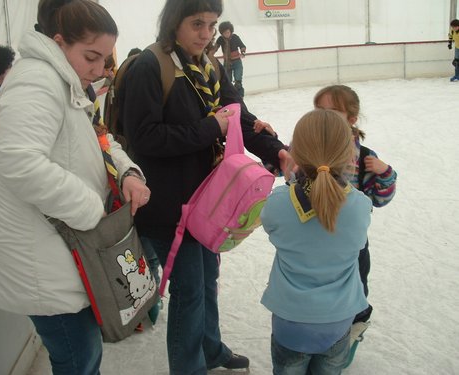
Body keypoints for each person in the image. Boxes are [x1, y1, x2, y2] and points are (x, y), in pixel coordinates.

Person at [120, 0, 291, 373]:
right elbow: (145, 138)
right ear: (173, 23)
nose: (206, 33)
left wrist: (279, 153)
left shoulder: (209, 66)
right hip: (167, 207)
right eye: (197, 23)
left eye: (211, 25)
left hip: (208, 203)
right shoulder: (150, 67)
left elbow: (238, 119)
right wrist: (211, 129)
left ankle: (211, 350)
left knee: (206, 282)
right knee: (189, 292)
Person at [0, 1, 150, 374]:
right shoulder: (37, 81)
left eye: (105, 59)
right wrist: (91, 209)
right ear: (58, 42)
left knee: (82, 356)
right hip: (45, 264)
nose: (99, 70)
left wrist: (127, 173)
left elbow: (99, 140)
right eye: (91, 57)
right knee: (78, 359)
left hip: (66, 255)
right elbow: (19, 161)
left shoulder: (67, 81)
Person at [261, 109, 372, 375]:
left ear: (294, 153)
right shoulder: (360, 206)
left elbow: (273, 227)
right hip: (338, 320)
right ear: (349, 154)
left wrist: (290, 181)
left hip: (290, 321)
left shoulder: (277, 203)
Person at [314, 84, 397, 324]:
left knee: (356, 283)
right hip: (313, 233)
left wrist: (386, 173)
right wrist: (268, 139)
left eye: (332, 111)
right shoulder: (309, 145)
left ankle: (353, 322)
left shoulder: (364, 156)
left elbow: (379, 199)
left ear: (351, 119)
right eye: (319, 109)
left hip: (352, 239)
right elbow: (284, 168)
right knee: (318, 284)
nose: (323, 116)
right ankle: (320, 321)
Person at [211, 21, 246, 97]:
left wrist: (243, 52)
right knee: (227, 82)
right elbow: (215, 48)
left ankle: (240, 97)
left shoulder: (235, 37)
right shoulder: (220, 39)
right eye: (224, 33)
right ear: (221, 33)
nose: (226, 34)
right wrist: (209, 55)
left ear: (231, 31)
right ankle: (230, 97)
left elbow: (242, 46)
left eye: (228, 32)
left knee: (238, 82)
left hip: (237, 62)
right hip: (227, 63)